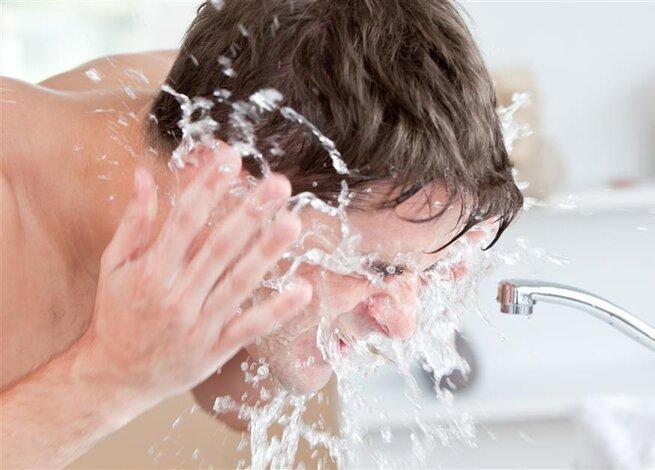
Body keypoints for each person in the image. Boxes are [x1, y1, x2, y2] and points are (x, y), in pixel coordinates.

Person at [0, 0, 523, 467]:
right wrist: (112, 377)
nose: (404, 325)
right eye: (377, 266)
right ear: (227, 189)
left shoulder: (237, 112)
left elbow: (231, 400)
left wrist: (419, 264)